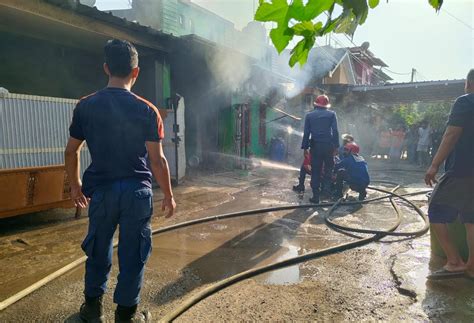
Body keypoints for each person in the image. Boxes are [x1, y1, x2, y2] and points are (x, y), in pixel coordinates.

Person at [65, 39, 176, 323]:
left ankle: (91, 311)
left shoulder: (85, 106)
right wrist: (169, 195)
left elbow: (72, 150)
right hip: (137, 194)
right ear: (136, 72)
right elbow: (157, 160)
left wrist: (76, 185)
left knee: (98, 250)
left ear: (106, 68)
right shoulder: (148, 110)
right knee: (133, 253)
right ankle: (126, 315)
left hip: (101, 192)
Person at [425, 69, 474, 279]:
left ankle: (454, 261)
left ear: (469, 83)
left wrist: (434, 165)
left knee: (435, 210)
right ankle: (471, 266)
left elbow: (452, 133)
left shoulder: (465, 102)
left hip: (462, 169)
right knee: (471, 218)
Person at [301, 94, 340, 204]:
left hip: (315, 146)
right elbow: (335, 131)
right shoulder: (332, 114)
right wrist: (336, 146)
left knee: (316, 171)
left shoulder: (309, 116)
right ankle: (326, 193)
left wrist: (305, 148)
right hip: (328, 146)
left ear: (316, 104)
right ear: (327, 105)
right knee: (328, 170)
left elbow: (306, 133)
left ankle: (316, 196)